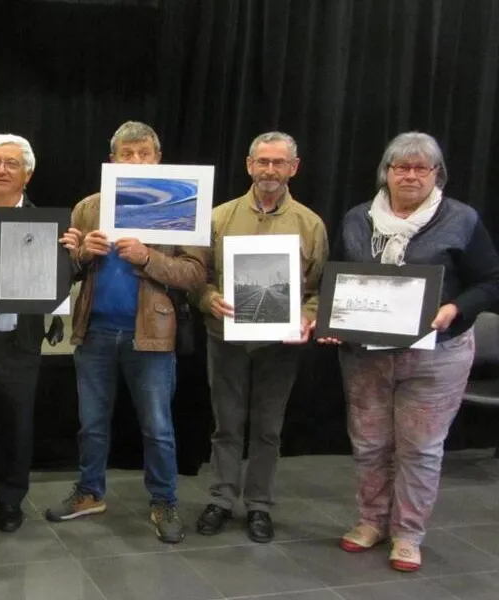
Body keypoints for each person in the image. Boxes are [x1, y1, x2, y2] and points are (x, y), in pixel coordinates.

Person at [315, 132, 499, 572]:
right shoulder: (359, 218)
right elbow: (337, 278)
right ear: (387, 172)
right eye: (402, 167)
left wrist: (455, 308)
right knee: (370, 444)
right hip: (366, 356)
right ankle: (371, 521)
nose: (411, 175)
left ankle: (408, 533)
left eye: (422, 168)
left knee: (420, 449)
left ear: (437, 174)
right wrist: (333, 322)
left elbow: (490, 281)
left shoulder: (462, 220)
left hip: (437, 356)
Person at [43, 121, 205, 544]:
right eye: (126, 154)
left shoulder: (182, 202)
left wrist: (148, 257)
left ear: (158, 158)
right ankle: (90, 492)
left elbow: (194, 273)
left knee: (157, 426)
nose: (135, 160)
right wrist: (81, 255)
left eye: (143, 153)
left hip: (151, 336)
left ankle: (164, 500)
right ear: (112, 160)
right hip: (95, 331)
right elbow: (67, 274)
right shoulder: (89, 207)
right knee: (91, 424)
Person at [189, 132, 328, 542]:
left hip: (279, 346)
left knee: (268, 428)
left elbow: (318, 289)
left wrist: (307, 317)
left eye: (278, 162)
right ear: (249, 165)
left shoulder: (311, 224)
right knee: (226, 424)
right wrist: (208, 299)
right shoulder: (219, 217)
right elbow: (198, 277)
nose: (270, 170)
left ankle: (259, 506)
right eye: (262, 162)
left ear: (293, 168)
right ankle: (221, 498)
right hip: (225, 337)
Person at [0, 134, 78, 532]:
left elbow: (62, 281)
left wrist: (72, 255)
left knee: (16, 422)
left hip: (18, 340)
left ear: (28, 173)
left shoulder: (48, 222)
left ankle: (10, 501)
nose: (1, 170)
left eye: (11, 163)